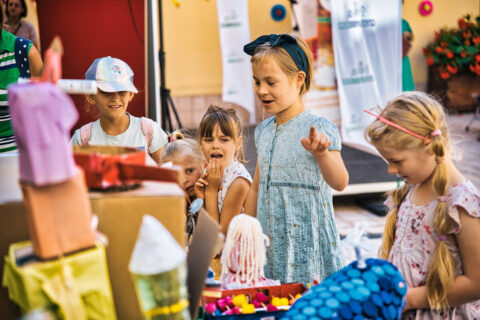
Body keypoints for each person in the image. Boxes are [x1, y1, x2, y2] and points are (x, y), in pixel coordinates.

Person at [243, 34, 349, 285]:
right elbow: (257, 186)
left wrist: (321, 154)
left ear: (299, 79)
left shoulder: (318, 127)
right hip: (272, 242)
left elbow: (341, 182)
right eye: (257, 82)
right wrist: (247, 231)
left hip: (309, 244)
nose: (262, 90)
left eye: (271, 82)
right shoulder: (264, 130)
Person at [365, 92, 480, 318]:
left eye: (396, 161)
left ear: (429, 146)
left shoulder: (463, 203)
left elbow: (476, 282)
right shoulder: (412, 189)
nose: (391, 170)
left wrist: (412, 299)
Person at [70, 56, 168, 163]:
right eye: (106, 92)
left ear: (130, 94)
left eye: (122, 92)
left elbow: (166, 175)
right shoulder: (81, 139)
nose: (115, 98)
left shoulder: (150, 131)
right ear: (91, 97)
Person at [194, 105, 252, 236]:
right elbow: (204, 227)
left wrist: (211, 190)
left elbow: (218, 237)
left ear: (238, 143)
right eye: (208, 140)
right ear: (200, 144)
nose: (215, 145)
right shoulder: (209, 172)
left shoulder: (239, 182)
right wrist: (201, 198)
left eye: (224, 140)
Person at [0, 0, 43, 153]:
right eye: (11, 4)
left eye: (16, 5)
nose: (13, 7)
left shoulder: (26, 46)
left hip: (17, 158)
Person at [402, 18, 415, 91]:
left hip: (402, 59)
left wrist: (408, 36)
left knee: (405, 85)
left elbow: (411, 38)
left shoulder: (403, 23)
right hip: (387, 58)